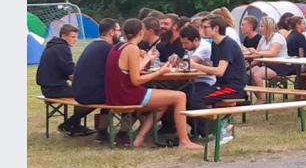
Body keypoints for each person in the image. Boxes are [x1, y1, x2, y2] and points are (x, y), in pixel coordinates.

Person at [104, 19, 202, 149]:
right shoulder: (132, 48)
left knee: (162, 104)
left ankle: (139, 139)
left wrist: (147, 58)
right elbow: (136, 80)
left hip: (114, 95)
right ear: (141, 32)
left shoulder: (119, 47)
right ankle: (184, 141)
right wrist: (160, 72)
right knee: (180, 96)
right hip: (127, 95)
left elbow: (133, 69)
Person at [36, 24, 95, 136]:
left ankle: (75, 125)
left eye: (76, 37)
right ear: (63, 36)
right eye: (72, 37)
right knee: (91, 95)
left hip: (48, 88)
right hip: (55, 89)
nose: (75, 40)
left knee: (81, 92)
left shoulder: (52, 46)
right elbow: (71, 74)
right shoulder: (62, 48)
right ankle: (68, 124)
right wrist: (86, 83)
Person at [179, 25, 231, 141]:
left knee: (192, 99)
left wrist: (179, 62)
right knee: (178, 97)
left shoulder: (204, 47)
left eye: (186, 43)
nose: (184, 46)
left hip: (207, 81)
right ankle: (200, 129)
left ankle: (213, 128)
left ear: (196, 40)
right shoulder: (192, 48)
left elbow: (188, 63)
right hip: (195, 80)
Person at [73, 19, 122, 139]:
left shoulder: (93, 45)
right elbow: (121, 69)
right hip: (90, 94)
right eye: (119, 30)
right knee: (123, 95)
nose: (120, 34)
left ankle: (102, 131)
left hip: (79, 91)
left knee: (112, 93)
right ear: (111, 32)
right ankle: (121, 133)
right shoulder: (107, 49)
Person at [190, 15, 249, 105]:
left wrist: (195, 65)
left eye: (205, 27)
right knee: (190, 95)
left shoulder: (227, 44)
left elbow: (219, 71)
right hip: (220, 85)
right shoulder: (214, 44)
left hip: (233, 88)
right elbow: (214, 67)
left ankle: (210, 119)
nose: (202, 30)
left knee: (196, 99)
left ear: (216, 28)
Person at [246, 16, 295, 99]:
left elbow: (273, 53)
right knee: (249, 73)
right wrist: (248, 65)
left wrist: (256, 52)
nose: (259, 28)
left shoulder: (277, 37)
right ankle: (260, 97)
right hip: (267, 64)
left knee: (257, 75)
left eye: (262, 26)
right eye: (260, 26)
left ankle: (262, 100)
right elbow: (257, 54)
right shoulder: (263, 38)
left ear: (268, 27)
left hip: (280, 65)